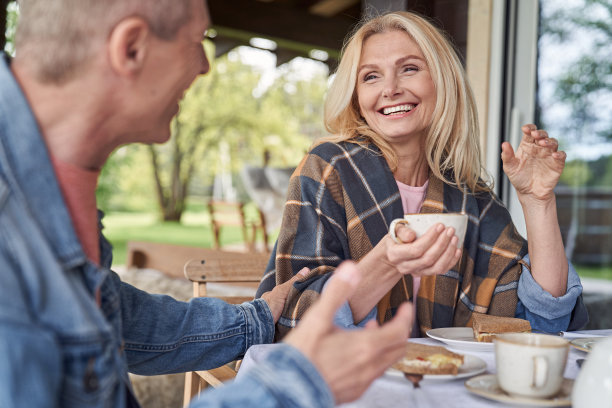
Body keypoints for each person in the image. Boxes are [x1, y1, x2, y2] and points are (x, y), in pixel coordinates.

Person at [0, 1, 413, 407]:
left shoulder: (46, 183)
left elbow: (116, 314)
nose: (204, 65)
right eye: (198, 41)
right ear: (131, 48)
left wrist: (253, 319)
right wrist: (295, 385)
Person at [256, 11, 588, 339]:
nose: (390, 89)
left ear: (443, 81)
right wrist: (387, 262)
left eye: (410, 69)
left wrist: (537, 202)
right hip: (346, 380)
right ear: (356, 98)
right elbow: (294, 315)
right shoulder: (327, 168)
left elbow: (543, 318)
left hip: (439, 380)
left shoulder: (469, 196)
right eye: (371, 76)